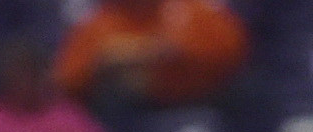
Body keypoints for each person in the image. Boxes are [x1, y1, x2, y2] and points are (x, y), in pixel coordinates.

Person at [55, 0, 250, 111]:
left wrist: (139, 54)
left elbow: (230, 50)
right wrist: (104, 63)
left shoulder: (190, 8)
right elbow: (68, 78)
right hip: (124, 118)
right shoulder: (100, 20)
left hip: (198, 104)